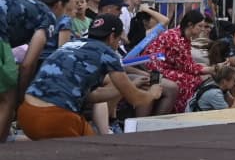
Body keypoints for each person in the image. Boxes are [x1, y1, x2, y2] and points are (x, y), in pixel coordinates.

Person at [18, 15, 161, 139]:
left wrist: (132, 85)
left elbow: (91, 96)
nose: (118, 44)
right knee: (94, 152)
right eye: (119, 39)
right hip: (56, 117)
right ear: (112, 37)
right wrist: (153, 93)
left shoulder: (70, 44)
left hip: (26, 113)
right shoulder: (107, 53)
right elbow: (136, 99)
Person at [0, 0, 73, 138]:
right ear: (59, 4)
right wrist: (21, 96)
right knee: (7, 99)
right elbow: (28, 63)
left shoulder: (26, 3)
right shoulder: (48, 15)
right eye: (67, 7)